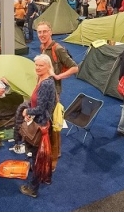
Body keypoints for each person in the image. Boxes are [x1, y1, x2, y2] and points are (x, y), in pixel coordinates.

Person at [35, 21, 78, 171]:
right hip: (44, 90)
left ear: (50, 32)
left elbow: (74, 67)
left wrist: (58, 77)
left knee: (54, 124)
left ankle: (53, 158)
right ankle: (53, 152)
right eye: (39, 32)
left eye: (44, 31)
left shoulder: (57, 48)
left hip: (54, 93)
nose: (42, 34)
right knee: (49, 122)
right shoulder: (43, 47)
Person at [20, 54, 57, 198]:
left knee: (37, 158)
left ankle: (33, 188)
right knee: (41, 155)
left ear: (48, 66)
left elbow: (41, 108)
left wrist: (27, 111)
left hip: (40, 125)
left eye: (41, 65)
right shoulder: (42, 79)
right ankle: (45, 177)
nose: (37, 68)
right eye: (36, 65)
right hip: (39, 121)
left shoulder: (47, 83)